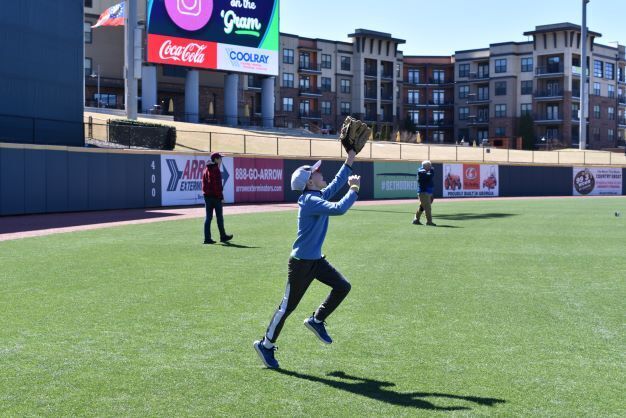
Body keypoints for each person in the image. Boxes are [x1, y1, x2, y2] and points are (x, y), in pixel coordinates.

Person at [253, 151, 361, 369]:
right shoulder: (311, 200)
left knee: (343, 286)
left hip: (316, 261)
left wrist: (350, 158)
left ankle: (317, 320)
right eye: (317, 172)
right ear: (310, 181)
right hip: (301, 264)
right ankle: (265, 345)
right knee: (287, 308)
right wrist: (354, 189)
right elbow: (339, 209)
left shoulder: (316, 195)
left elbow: (337, 182)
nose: (322, 174)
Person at [202, 152, 233, 244]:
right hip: (215, 197)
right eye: (220, 158)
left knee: (208, 217)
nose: (221, 160)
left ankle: (207, 238)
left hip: (207, 196)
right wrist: (220, 196)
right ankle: (222, 236)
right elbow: (217, 185)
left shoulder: (206, 169)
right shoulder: (215, 169)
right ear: (215, 159)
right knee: (219, 217)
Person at [413, 160, 436, 226]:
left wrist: (431, 171)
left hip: (428, 192)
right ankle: (429, 221)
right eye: (429, 165)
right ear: (425, 166)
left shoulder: (426, 171)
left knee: (422, 207)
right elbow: (429, 177)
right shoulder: (421, 172)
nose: (430, 167)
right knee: (428, 208)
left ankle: (416, 220)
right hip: (423, 192)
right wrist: (431, 171)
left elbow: (431, 176)